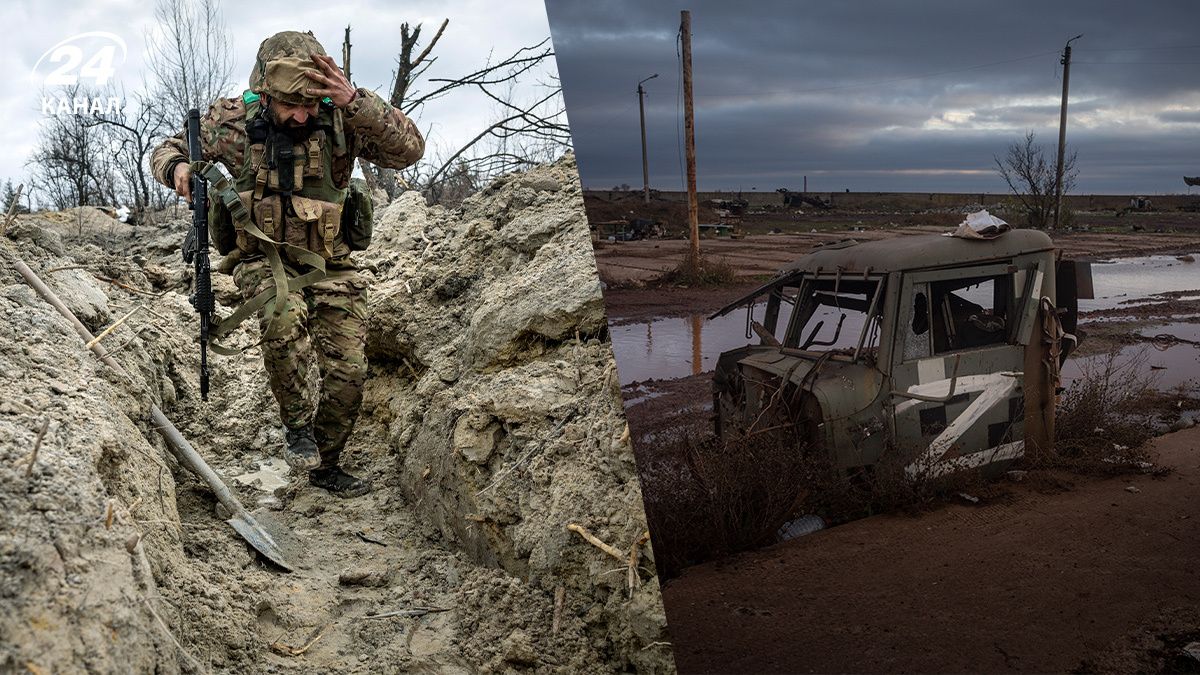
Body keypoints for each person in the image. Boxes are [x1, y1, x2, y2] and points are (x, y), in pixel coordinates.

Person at [151, 30, 424, 497]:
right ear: (266, 94)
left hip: (330, 264)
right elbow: (166, 150)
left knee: (350, 369)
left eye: (310, 104)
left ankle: (327, 461)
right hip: (261, 257)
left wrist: (357, 101)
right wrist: (176, 168)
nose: (302, 115)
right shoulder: (231, 123)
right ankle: (297, 428)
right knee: (283, 314)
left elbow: (409, 150)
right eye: (290, 105)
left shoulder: (344, 116)